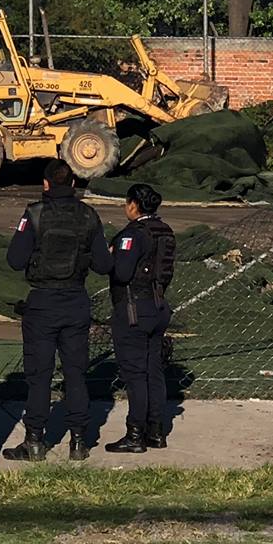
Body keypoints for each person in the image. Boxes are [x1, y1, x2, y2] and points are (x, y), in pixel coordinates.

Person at [3, 159, 113, 462]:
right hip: (75, 300)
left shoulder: (34, 215)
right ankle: (79, 440)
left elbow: (14, 259)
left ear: (46, 184)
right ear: (74, 184)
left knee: (39, 375)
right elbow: (104, 264)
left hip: (42, 301)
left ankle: (35, 440)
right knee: (76, 372)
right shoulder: (89, 216)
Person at [105, 184, 175, 453]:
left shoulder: (132, 235)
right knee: (153, 371)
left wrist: (111, 257)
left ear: (134, 205)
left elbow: (122, 273)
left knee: (135, 375)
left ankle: (135, 434)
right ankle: (156, 431)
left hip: (134, 308)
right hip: (159, 306)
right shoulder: (165, 232)